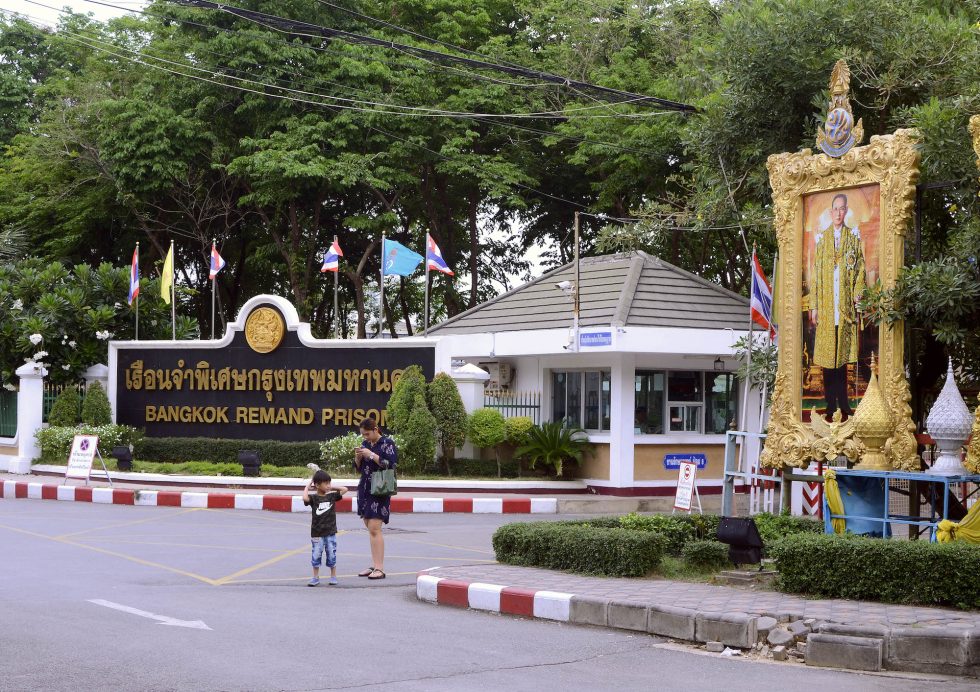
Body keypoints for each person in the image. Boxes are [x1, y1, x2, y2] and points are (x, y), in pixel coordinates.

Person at [807, 192, 866, 419]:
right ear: (831, 212)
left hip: (845, 309)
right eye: (835, 209)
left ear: (846, 211)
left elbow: (860, 270)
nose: (839, 213)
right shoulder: (822, 240)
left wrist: (858, 293)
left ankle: (844, 404)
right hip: (826, 307)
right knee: (827, 359)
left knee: (840, 360)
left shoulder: (853, 238)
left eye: (842, 209)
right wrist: (814, 306)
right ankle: (830, 405)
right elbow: (816, 276)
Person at [354, 416, 397, 580]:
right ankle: (374, 564)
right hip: (365, 487)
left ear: (375, 429)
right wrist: (358, 458)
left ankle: (379, 568)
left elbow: (390, 464)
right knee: (369, 525)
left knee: (374, 527)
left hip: (380, 488)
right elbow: (360, 469)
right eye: (363, 435)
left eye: (367, 434)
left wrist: (371, 455)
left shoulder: (387, 443)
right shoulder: (366, 445)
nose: (365, 437)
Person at [302, 469, 347, 587]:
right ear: (317, 485)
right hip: (317, 533)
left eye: (329, 483)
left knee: (331, 554)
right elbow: (305, 499)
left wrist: (331, 487)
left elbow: (345, 489)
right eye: (325, 483)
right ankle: (315, 577)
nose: (328, 485)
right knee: (316, 554)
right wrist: (307, 486)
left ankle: (333, 576)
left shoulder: (332, 496)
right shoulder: (314, 498)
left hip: (330, 532)